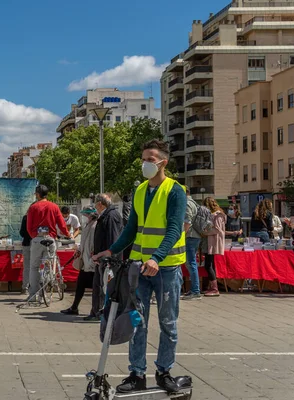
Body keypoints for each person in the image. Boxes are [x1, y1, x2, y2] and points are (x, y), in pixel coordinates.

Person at [93, 139, 187, 394]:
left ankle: (164, 371)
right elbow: (132, 229)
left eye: (150, 159)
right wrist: (111, 249)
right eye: (143, 158)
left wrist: (157, 257)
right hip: (139, 268)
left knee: (168, 322)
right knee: (137, 320)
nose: (145, 163)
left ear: (162, 163)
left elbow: (174, 229)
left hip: (166, 267)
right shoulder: (140, 191)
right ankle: (137, 373)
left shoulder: (175, 191)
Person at [26, 185, 70, 300]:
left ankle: (33, 294)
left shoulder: (33, 207)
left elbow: (29, 226)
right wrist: (67, 234)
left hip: (37, 239)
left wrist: (34, 236)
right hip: (50, 239)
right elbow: (61, 224)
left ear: (38, 194)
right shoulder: (54, 207)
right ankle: (45, 290)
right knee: (48, 265)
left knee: (34, 267)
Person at [88, 194, 123, 321]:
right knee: (98, 285)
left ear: (100, 204)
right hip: (101, 258)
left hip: (108, 260)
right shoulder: (105, 216)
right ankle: (96, 311)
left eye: (96, 203)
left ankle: (103, 312)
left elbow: (113, 238)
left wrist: (107, 256)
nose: (94, 206)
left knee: (106, 287)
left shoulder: (111, 216)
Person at [60, 206, 99, 316]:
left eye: (86, 214)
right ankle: (74, 307)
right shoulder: (89, 224)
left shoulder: (95, 225)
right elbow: (84, 240)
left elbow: (92, 242)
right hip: (85, 259)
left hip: (91, 260)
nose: (85, 216)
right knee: (81, 284)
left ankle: (96, 310)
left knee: (96, 287)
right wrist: (80, 250)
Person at [202, 197, 226, 297]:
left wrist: (205, 232)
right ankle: (212, 286)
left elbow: (217, 229)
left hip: (212, 242)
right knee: (210, 264)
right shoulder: (216, 214)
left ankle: (215, 288)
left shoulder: (217, 215)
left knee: (208, 265)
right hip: (210, 241)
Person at [181, 187, 202, 300]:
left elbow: (187, 221)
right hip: (194, 236)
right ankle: (194, 290)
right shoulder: (194, 203)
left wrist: (180, 236)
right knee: (191, 263)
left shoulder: (187, 203)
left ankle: (195, 291)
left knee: (191, 263)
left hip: (190, 236)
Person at [19, 212, 32, 295]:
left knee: (27, 266)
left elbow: (22, 233)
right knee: (37, 266)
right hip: (38, 243)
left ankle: (25, 288)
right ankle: (36, 287)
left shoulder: (26, 217)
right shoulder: (41, 217)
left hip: (27, 243)